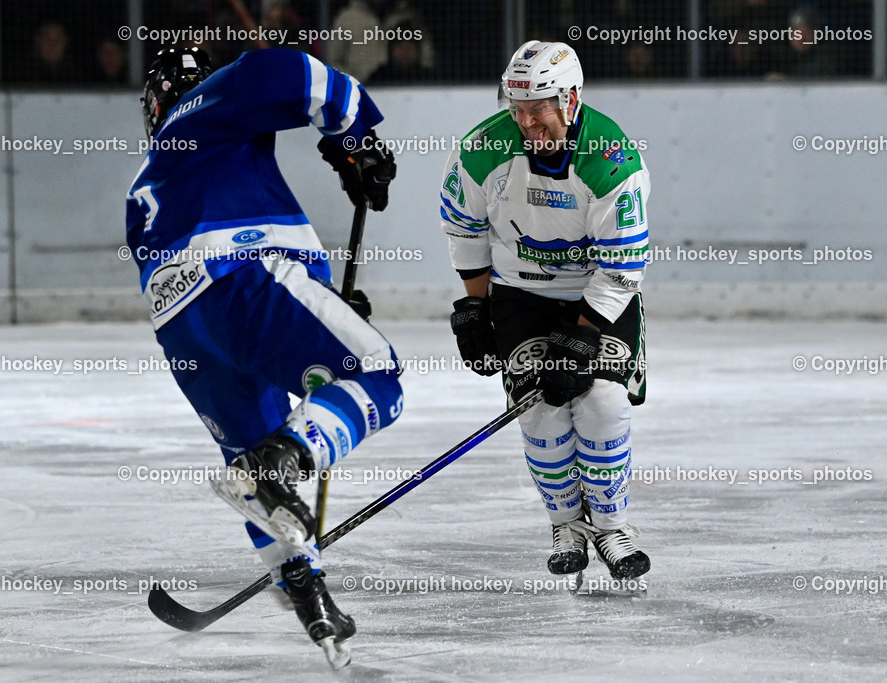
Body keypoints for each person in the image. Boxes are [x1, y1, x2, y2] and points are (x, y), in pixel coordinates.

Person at [126, 47, 400, 667]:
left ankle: (307, 593)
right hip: (244, 281)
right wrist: (353, 138)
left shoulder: (145, 185)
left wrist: (319, 302)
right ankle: (284, 466)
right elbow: (283, 71)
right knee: (378, 376)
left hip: (186, 331)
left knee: (251, 464)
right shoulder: (200, 108)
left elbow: (197, 255)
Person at [440, 41, 651, 583]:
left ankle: (610, 526)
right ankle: (565, 525)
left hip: (599, 294)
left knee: (601, 400)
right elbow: (466, 230)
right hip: (521, 294)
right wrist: (472, 309)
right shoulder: (482, 150)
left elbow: (623, 265)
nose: (526, 121)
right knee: (539, 407)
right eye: (517, 108)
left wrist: (582, 338)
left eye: (538, 108)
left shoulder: (611, 159)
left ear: (572, 99)